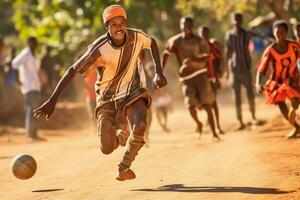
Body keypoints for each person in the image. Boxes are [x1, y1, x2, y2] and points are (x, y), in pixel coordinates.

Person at [34, 5, 167, 181]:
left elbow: (153, 43)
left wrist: (159, 70)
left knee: (141, 125)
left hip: (133, 90)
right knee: (106, 149)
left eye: (122, 23)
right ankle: (122, 136)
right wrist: (52, 100)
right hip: (107, 98)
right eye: (114, 24)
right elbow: (72, 71)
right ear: (107, 27)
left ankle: (124, 166)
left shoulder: (136, 36)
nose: (119, 28)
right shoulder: (98, 50)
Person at [162, 16, 220, 140]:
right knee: (190, 105)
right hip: (187, 78)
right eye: (184, 25)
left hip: (201, 76)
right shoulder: (176, 41)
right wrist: (160, 71)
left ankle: (214, 133)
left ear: (192, 27)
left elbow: (207, 56)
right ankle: (198, 124)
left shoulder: (199, 40)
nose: (187, 28)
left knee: (208, 105)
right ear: (180, 26)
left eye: (189, 25)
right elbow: (166, 53)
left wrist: (193, 61)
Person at [256, 20, 300, 138]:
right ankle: (296, 127)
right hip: (277, 81)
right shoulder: (270, 50)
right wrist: (257, 83)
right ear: (274, 32)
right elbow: (261, 68)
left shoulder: (294, 46)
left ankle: (294, 109)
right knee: (280, 102)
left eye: (282, 31)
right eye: (277, 31)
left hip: (293, 79)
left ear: (286, 33)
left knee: (296, 101)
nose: (280, 34)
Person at [225, 13, 258, 130]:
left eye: (239, 20)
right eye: (235, 20)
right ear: (232, 21)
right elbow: (228, 52)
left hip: (245, 68)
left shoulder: (246, 33)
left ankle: (253, 116)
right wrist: (227, 70)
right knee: (237, 96)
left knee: (250, 94)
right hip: (234, 69)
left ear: (241, 21)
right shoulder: (229, 35)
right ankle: (240, 121)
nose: (237, 22)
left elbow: (257, 36)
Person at [12, 37, 42, 141]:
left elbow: (36, 71)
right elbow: (14, 64)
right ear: (28, 43)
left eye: (35, 43)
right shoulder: (26, 53)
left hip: (35, 86)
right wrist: (18, 80)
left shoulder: (34, 55)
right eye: (32, 43)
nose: (34, 45)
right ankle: (30, 135)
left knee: (34, 109)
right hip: (28, 86)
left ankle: (34, 133)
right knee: (30, 109)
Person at [198, 26, 225, 134]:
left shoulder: (212, 46)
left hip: (211, 78)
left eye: (206, 34)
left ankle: (218, 126)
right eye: (202, 34)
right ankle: (204, 123)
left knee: (213, 103)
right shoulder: (196, 47)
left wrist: (217, 78)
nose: (204, 36)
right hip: (199, 80)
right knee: (201, 104)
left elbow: (218, 61)